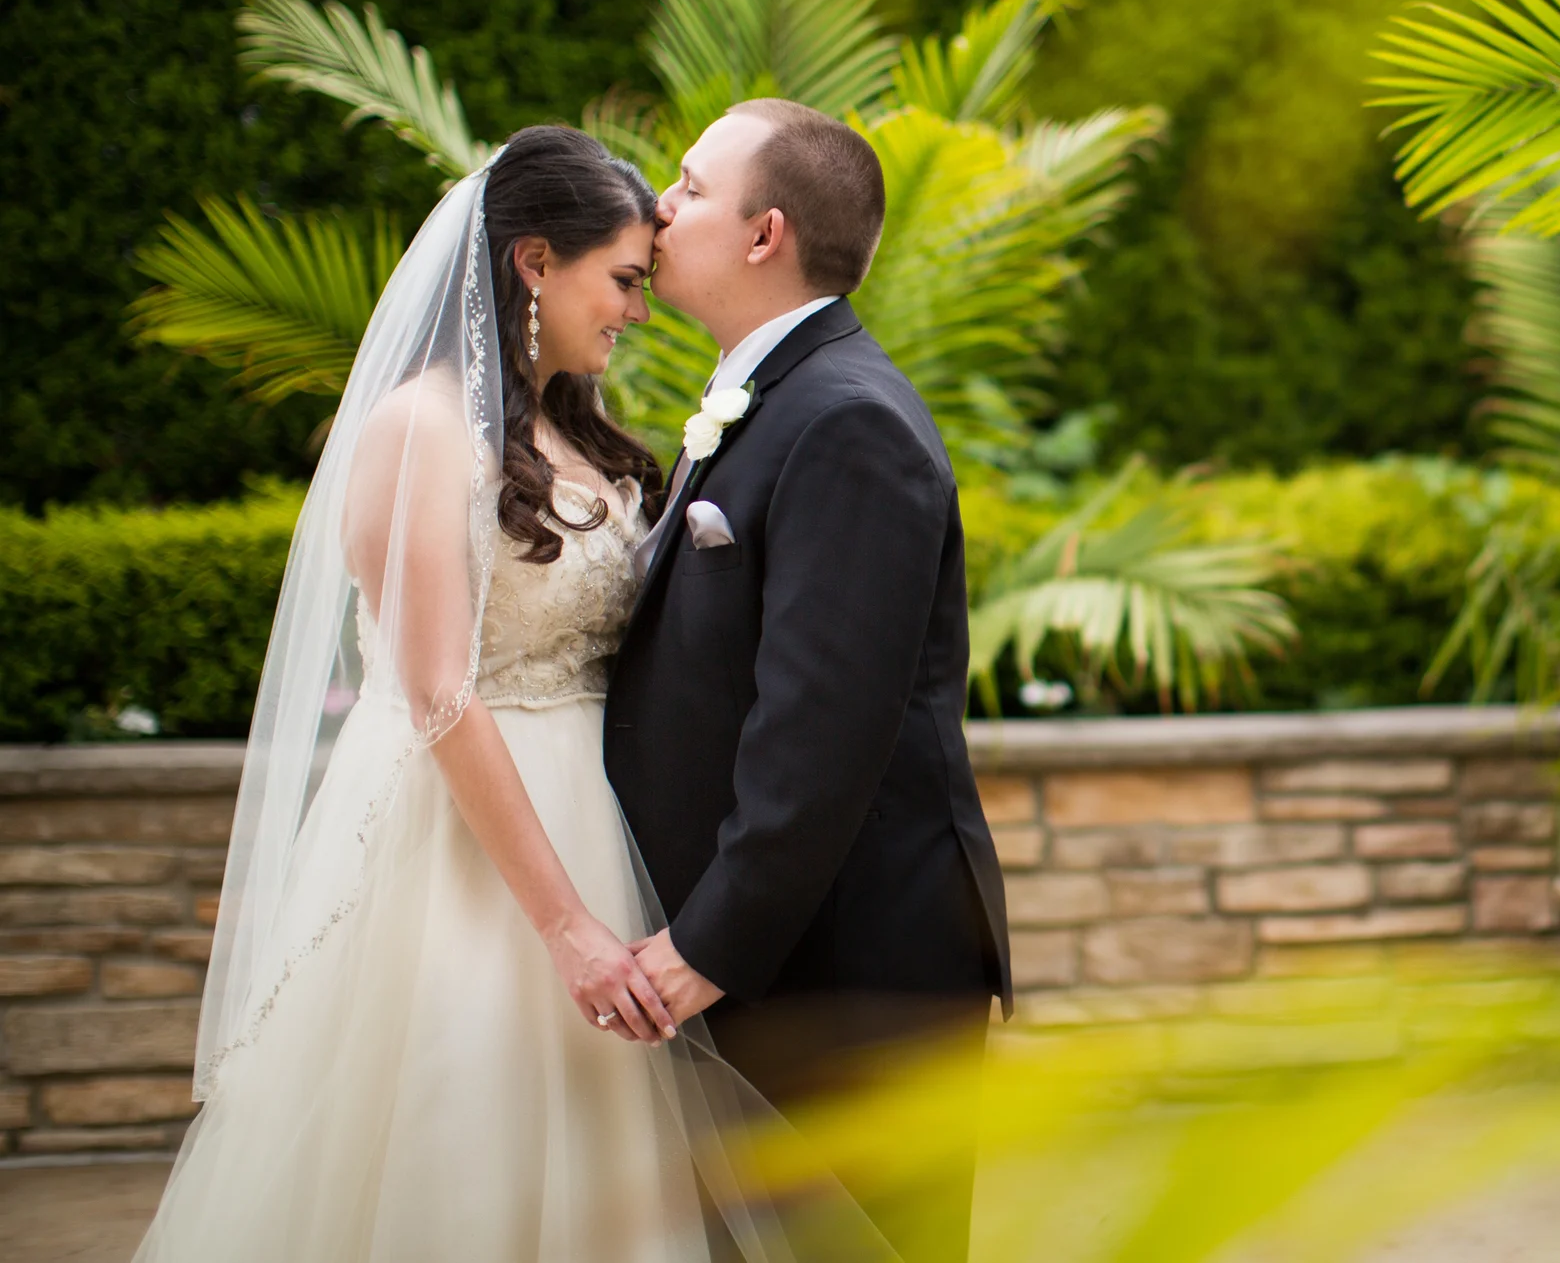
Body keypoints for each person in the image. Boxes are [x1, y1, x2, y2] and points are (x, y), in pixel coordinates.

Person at [136, 126, 851, 1263]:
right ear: (532, 262)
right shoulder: (419, 427)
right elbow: (434, 692)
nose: (639, 307)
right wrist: (567, 927)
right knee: (464, 1133)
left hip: (603, 832)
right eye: (621, 279)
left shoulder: (571, 427)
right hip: (471, 860)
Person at [604, 98, 1012, 1263]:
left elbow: (821, 729)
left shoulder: (848, 421)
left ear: (763, 232)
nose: (657, 206)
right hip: (787, 953)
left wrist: (705, 946)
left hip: (851, 966)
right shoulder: (767, 399)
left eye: (687, 186)